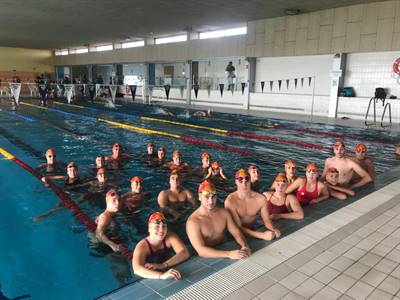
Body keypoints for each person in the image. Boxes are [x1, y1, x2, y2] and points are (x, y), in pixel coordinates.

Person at [186, 180, 251, 259]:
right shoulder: (193, 222)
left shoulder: (224, 213)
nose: (210, 201)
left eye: (213, 196)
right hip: (206, 255)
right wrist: (229, 254)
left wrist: (245, 246)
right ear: (199, 197)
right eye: (206, 197)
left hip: (222, 245)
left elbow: (236, 232)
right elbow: (201, 251)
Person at [224, 169, 280, 241]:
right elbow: (238, 227)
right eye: (240, 180)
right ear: (236, 182)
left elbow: (266, 220)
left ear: (250, 181)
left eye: (247, 180)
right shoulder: (230, 201)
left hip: (251, 228)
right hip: (233, 234)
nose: (244, 184)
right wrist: (262, 235)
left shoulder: (261, 198)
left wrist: (273, 229)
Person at [132, 212, 190, 280]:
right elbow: (137, 269)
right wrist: (161, 275)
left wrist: (163, 265)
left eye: (164, 226)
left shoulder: (171, 237)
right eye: (157, 226)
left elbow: (185, 253)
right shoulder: (142, 246)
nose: (161, 230)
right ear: (149, 229)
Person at [93, 189, 127, 253]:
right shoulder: (105, 216)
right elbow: (98, 234)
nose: (117, 203)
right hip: (100, 245)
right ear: (107, 201)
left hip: (105, 241)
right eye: (114, 200)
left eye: (119, 200)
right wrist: (114, 246)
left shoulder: (112, 215)